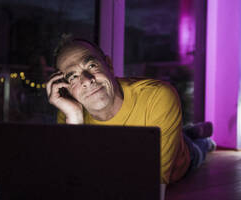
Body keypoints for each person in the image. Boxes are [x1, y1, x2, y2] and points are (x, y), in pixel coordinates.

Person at [46, 35, 215, 185]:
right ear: (66, 88)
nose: (87, 80)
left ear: (109, 65)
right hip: (154, 141)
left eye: (91, 65)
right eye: (73, 77)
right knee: (182, 133)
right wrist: (75, 120)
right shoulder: (70, 113)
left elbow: (150, 185)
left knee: (196, 148)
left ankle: (204, 140)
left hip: (181, 161)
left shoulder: (158, 96)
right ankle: (194, 130)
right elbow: (72, 181)